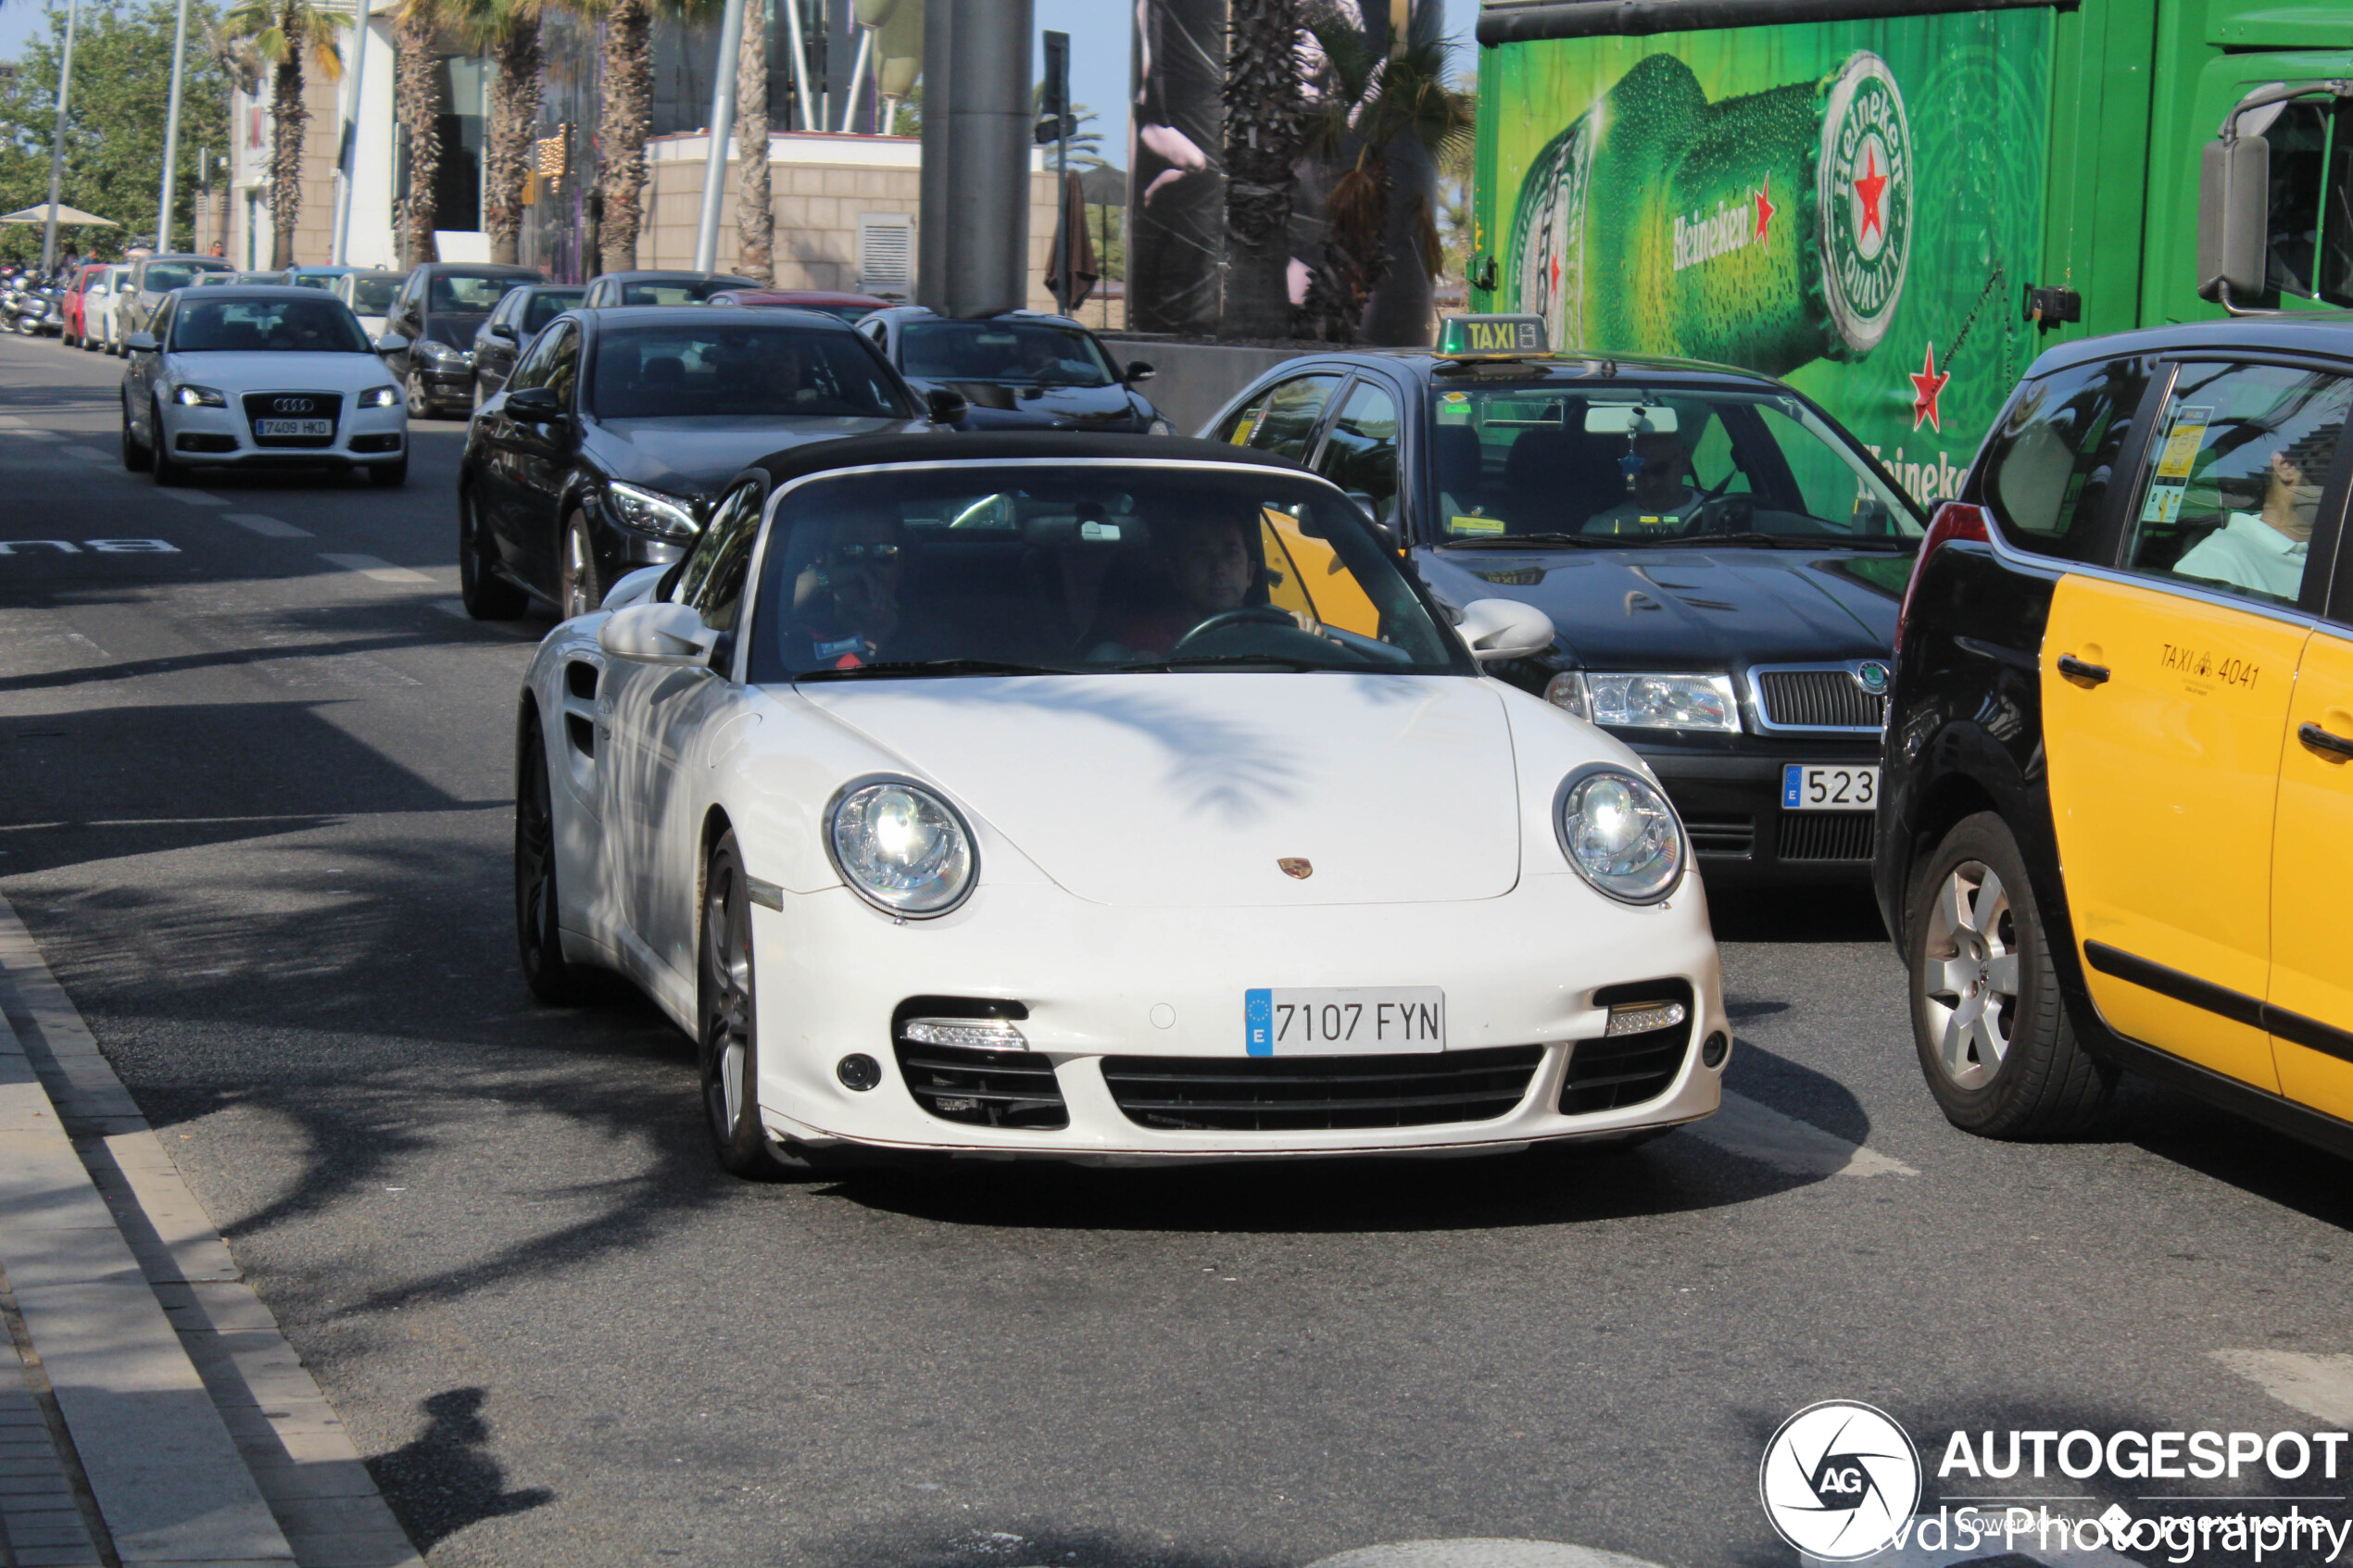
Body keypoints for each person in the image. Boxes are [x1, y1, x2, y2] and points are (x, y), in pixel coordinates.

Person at [2174, 423, 2337, 601]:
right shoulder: (2215, 562)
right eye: (2329, 462)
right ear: (2286, 466)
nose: (2345, 484)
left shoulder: (2335, 553)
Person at [1097, 511, 1258, 659]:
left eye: (1231, 553)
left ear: (1250, 573)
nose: (1219, 568)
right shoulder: (1144, 641)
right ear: (1177, 575)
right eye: (1201, 555)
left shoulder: (1267, 638)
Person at [789, 510, 909, 668]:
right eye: (849, 552)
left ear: (900, 566)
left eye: (884, 552)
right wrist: (822, 578)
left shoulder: (929, 634)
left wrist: (882, 635)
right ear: (822, 559)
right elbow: (764, 612)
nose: (866, 567)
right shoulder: (799, 632)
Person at [1584, 427, 1703, 534]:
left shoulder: (1714, 515)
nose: (1650, 483)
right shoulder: (1602, 528)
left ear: (1684, 461)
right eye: (1637, 473)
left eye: (1659, 469)